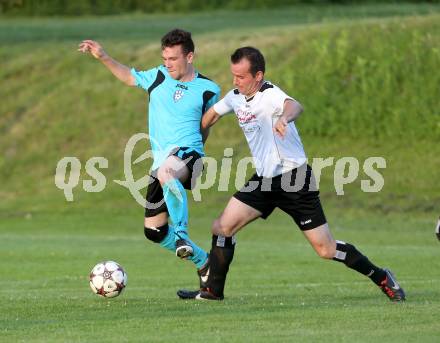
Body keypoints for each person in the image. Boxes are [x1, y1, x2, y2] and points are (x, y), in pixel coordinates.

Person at [177, 46, 405, 302]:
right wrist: (192, 139)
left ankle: (382, 276)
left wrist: (284, 119)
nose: (235, 81)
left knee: (325, 249)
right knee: (222, 227)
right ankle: (211, 292)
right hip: (263, 181)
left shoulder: (270, 94)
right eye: (234, 75)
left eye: (241, 77)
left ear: (258, 75)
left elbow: (294, 105)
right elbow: (210, 117)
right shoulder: (235, 96)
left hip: (294, 179)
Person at [78, 29, 220, 286]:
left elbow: (205, 125)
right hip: (162, 162)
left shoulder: (209, 89)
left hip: (189, 154)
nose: (168, 64)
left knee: (168, 173)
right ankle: (204, 262)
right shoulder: (157, 76)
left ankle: (182, 233)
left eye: (173, 59)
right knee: (154, 231)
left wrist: (196, 151)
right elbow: (129, 77)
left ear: (190, 56)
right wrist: (103, 56)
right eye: (165, 58)